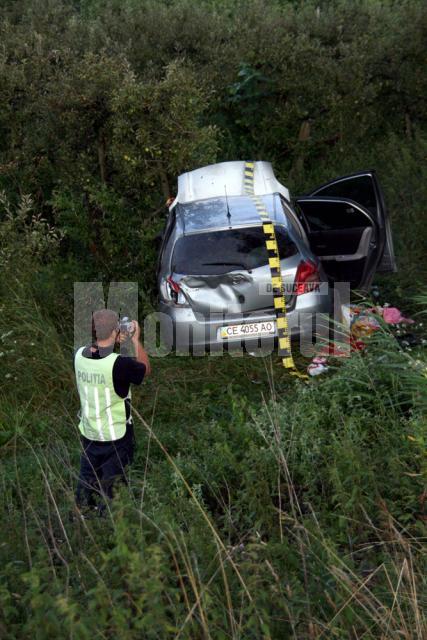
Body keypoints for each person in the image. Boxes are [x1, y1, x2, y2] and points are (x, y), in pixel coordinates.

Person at [74, 308, 151, 516]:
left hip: (89, 433)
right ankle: (109, 524)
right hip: (116, 436)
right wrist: (135, 339)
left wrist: (115, 336)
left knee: (86, 484)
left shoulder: (79, 355)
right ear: (117, 331)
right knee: (114, 489)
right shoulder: (119, 364)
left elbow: (96, 351)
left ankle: (82, 518)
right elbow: (145, 370)